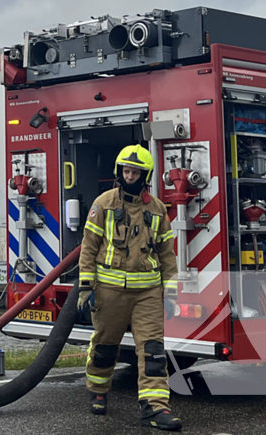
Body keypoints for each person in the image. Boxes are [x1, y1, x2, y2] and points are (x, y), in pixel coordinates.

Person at [78, 144, 182, 431]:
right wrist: (86, 285)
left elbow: (167, 255)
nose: (130, 176)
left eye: (135, 172)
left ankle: (155, 408)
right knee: (105, 346)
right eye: (126, 171)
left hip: (147, 293)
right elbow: (89, 247)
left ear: (144, 174)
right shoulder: (104, 204)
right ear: (118, 172)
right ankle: (98, 391)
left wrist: (170, 293)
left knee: (153, 352)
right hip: (110, 291)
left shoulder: (158, 209)